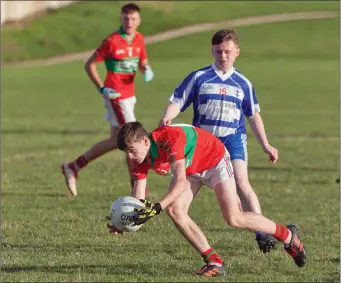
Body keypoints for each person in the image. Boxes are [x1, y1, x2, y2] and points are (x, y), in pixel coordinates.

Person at [107, 121, 306, 277]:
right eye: (127, 153)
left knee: (234, 218)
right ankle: (215, 263)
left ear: (145, 141)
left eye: (132, 151)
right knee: (176, 210)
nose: (131, 157)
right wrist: (126, 221)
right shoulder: (139, 159)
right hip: (191, 169)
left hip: (215, 161)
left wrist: (157, 207)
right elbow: (138, 198)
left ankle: (289, 236)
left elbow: (179, 181)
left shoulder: (170, 138)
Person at [158, 29, 278, 253]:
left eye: (227, 52)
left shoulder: (243, 83)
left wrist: (266, 145)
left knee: (242, 183)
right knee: (184, 191)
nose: (223, 56)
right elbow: (177, 101)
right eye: (218, 51)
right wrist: (169, 116)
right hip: (203, 144)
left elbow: (253, 116)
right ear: (212, 51)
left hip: (232, 140)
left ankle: (262, 233)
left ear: (237, 52)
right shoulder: (199, 77)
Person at [61, 3, 154, 196]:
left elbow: (142, 62)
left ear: (139, 20)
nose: (129, 22)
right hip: (116, 96)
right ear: (121, 19)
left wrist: (147, 70)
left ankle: (74, 166)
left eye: (133, 18)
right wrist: (102, 89)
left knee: (114, 140)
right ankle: (137, 189)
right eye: (126, 18)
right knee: (133, 139)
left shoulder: (139, 39)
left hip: (130, 96)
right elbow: (89, 65)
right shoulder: (112, 41)